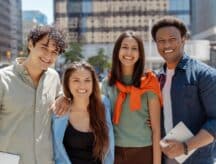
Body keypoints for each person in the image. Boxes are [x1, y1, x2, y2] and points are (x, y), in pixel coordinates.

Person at [151, 16, 216, 164]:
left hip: (197, 159)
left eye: (172, 38)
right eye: (161, 41)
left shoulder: (204, 75)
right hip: (164, 158)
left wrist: (185, 146)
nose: (166, 44)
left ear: (183, 39)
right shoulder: (155, 78)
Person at [0, 25, 66, 164]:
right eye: (44, 47)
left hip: (45, 160)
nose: (48, 56)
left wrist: (66, 99)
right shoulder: (2, 79)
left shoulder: (54, 78)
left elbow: (61, 99)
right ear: (30, 44)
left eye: (55, 51)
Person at [101, 31, 162, 164]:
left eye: (134, 48)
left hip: (143, 151)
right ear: (117, 51)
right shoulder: (107, 83)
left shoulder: (149, 82)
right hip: (114, 152)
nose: (129, 53)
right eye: (125, 47)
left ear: (140, 54)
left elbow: (156, 130)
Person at [52, 61, 114, 164]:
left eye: (87, 80)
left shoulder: (104, 105)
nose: (82, 86)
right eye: (76, 80)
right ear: (67, 83)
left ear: (93, 83)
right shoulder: (59, 112)